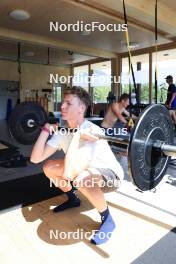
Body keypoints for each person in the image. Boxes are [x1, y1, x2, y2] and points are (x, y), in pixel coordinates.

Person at [30, 86, 124, 245]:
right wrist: (45, 129)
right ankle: (73, 199)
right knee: (49, 167)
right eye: (63, 103)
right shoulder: (63, 131)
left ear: (81, 108)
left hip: (110, 176)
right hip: (83, 171)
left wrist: (79, 135)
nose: (62, 106)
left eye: (68, 103)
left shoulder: (91, 130)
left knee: (82, 179)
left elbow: (71, 171)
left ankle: (107, 219)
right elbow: (35, 158)